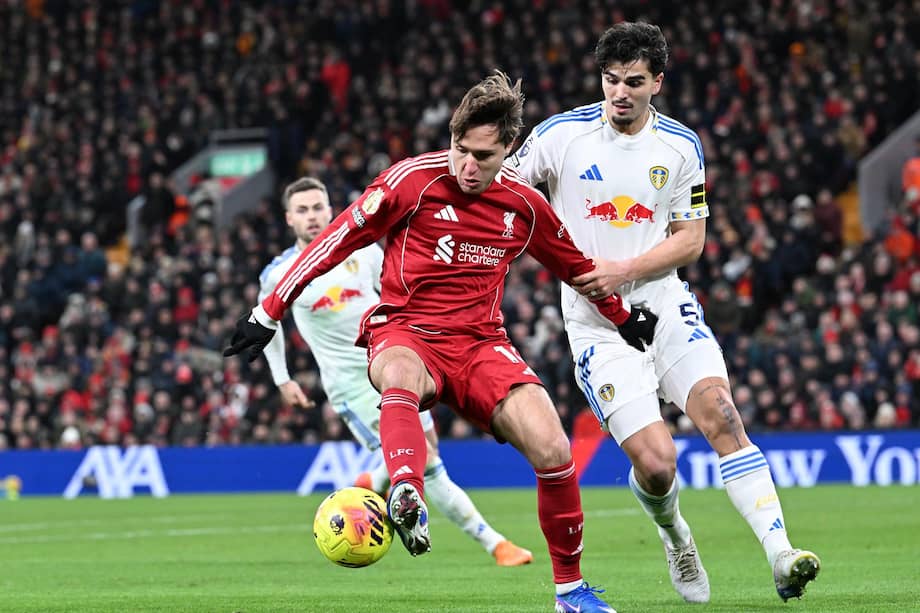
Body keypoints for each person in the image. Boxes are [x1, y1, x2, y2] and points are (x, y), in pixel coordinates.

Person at [226, 71, 659, 613]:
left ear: (508, 151)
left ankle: (570, 593)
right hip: (405, 329)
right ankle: (408, 490)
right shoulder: (411, 181)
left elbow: (574, 267)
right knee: (399, 375)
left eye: (484, 155)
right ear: (451, 139)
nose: (468, 165)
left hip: (480, 344)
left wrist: (622, 318)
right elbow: (336, 239)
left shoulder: (523, 207)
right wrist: (268, 312)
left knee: (554, 450)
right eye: (461, 150)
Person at [509, 22, 821, 604]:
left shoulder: (679, 146)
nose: (619, 93)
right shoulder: (560, 137)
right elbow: (505, 194)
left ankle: (781, 554)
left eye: (632, 81)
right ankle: (675, 533)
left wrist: (623, 270)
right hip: (596, 325)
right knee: (657, 464)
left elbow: (691, 240)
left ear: (657, 81)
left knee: (723, 416)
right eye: (610, 81)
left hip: (664, 305)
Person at [258, 176, 533, 567]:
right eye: (302, 211)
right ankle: (494, 543)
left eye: (318, 207)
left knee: (425, 452)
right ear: (288, 219)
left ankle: (377, 479)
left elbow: (394, 298)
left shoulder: (364, 252)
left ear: (330, 208)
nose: (312, 217)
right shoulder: (279, 272)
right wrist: (281, 378)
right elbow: (270, 325)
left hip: (392, 368)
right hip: (351, 385)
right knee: (427, 461)